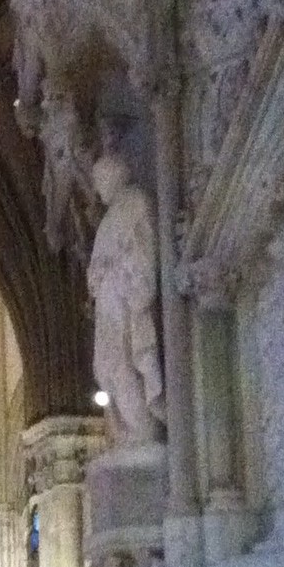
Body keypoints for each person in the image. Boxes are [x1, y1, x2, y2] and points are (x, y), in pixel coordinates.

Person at [86, 151, 166, 445]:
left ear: (113, 175)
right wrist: (97, 276)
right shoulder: (110, 217)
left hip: (124, 302)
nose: (97, 188)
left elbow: (143, 255)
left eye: (99, 180)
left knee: (125, 362)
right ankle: (130, 433)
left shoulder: (135, 203)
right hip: (108, 306)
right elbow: (98, 264)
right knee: (105, 368)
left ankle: (144, 431)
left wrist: (114, 272)